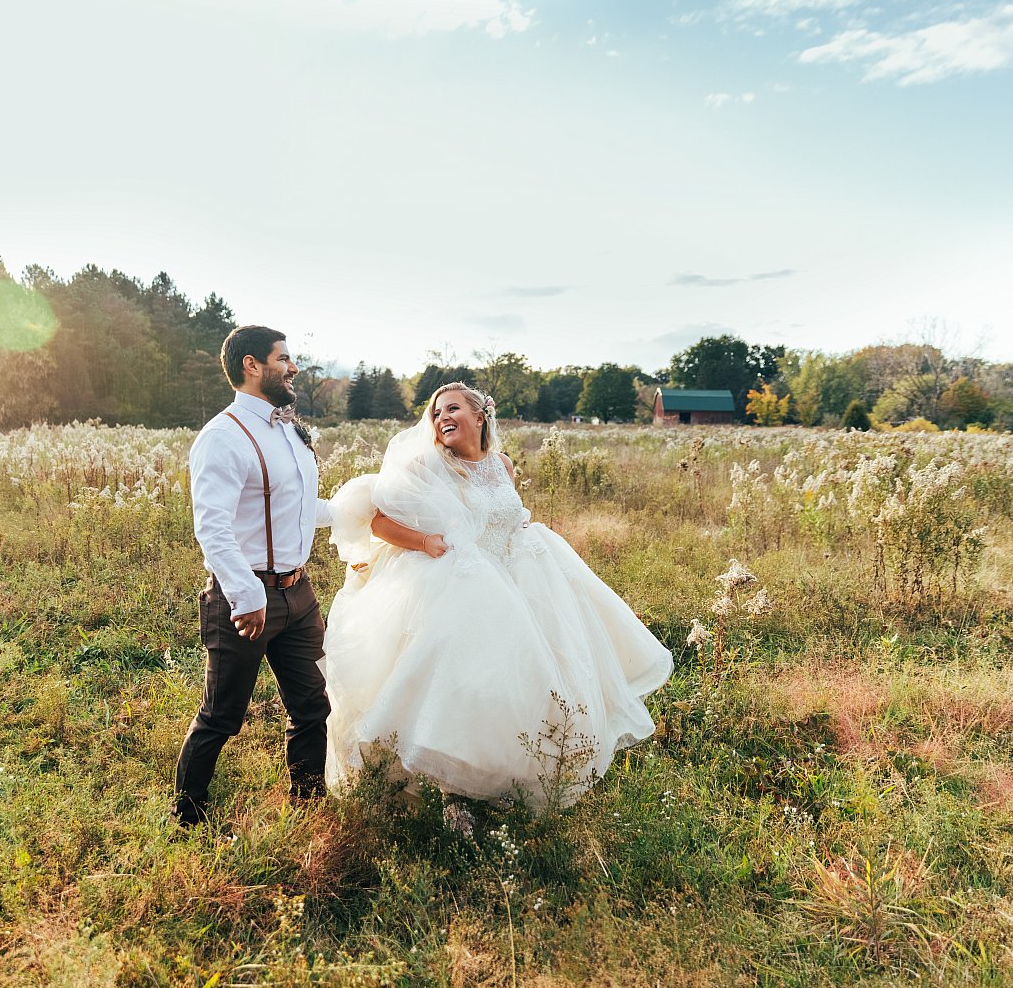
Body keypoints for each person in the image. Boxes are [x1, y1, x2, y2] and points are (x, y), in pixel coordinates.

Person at [323, 382, 672, 809]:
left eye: (452, 409)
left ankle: (508, 779)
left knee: (527, 682)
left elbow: (506, 516)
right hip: (463, 586)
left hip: (521, 579)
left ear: (480, 415)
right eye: (435, 413)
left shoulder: (502, 464)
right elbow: (377, 522)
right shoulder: (428, 465)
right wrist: (425, 541)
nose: (441, 418)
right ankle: (453, 791)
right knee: (464, 685)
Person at [173, 325, 331, 826]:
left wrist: (367, 507)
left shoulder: (288, 428)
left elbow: (299, 506)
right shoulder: (222, 437)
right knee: (222, 716)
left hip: (298, 594)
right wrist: (246, 595)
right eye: (284, 358)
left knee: (312, 706)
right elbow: (212, 526)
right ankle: (187, 818)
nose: (293, 367)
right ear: (251, 365)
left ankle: (307, 808)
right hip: (245, 599)